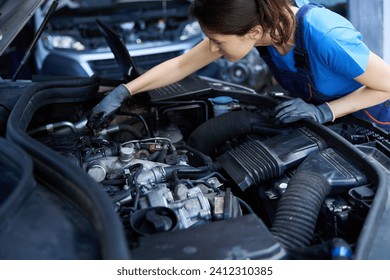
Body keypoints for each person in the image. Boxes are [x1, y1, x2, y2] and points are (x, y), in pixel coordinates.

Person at [87, 0, 390, 132]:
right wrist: (124, 91)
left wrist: (325, 112)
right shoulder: (259, 24)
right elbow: (182, 64)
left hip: (377, 120)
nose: (213, 49)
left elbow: (386, 85)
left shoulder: (325, 35)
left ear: (253, 33)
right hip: (331, 119)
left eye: (217, 41)